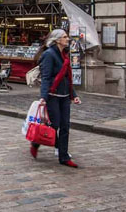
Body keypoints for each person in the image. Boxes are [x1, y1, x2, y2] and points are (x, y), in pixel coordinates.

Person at [33, 29, 80, 168]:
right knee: (54, 126)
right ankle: (36, 142)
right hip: (53, 96)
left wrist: (74, 95)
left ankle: (63, 157)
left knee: (65, 126)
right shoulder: (49, 55)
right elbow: (46, 77)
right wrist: (43, 97)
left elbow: (66, 77)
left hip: (65, 95)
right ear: (57, 40)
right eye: (65, 37)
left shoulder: (64, 54)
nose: (68, 39)